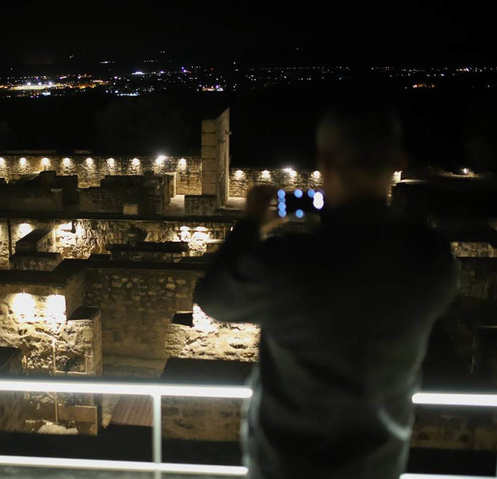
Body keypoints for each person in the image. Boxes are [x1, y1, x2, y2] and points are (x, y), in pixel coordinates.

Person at [194, 102, 459, 479]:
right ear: (397, 162)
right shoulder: (432, 259)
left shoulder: (290, 262)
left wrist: (253, 224)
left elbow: (214, 297)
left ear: (324, 164)